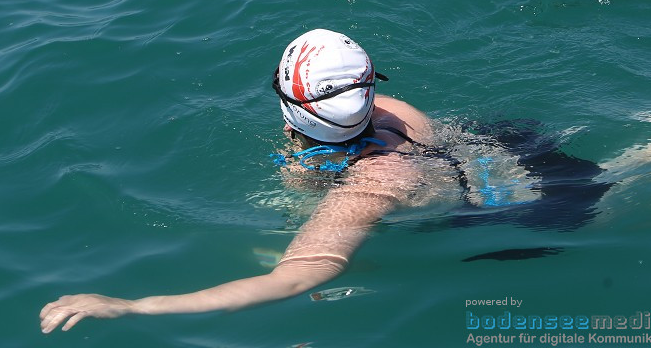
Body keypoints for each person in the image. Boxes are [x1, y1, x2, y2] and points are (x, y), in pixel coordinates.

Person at [40, 29, 455, 333]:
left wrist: (133, 306)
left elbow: (297, 278)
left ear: (292, 116)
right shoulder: (391, 111)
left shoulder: (373, 183)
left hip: (498, 217)